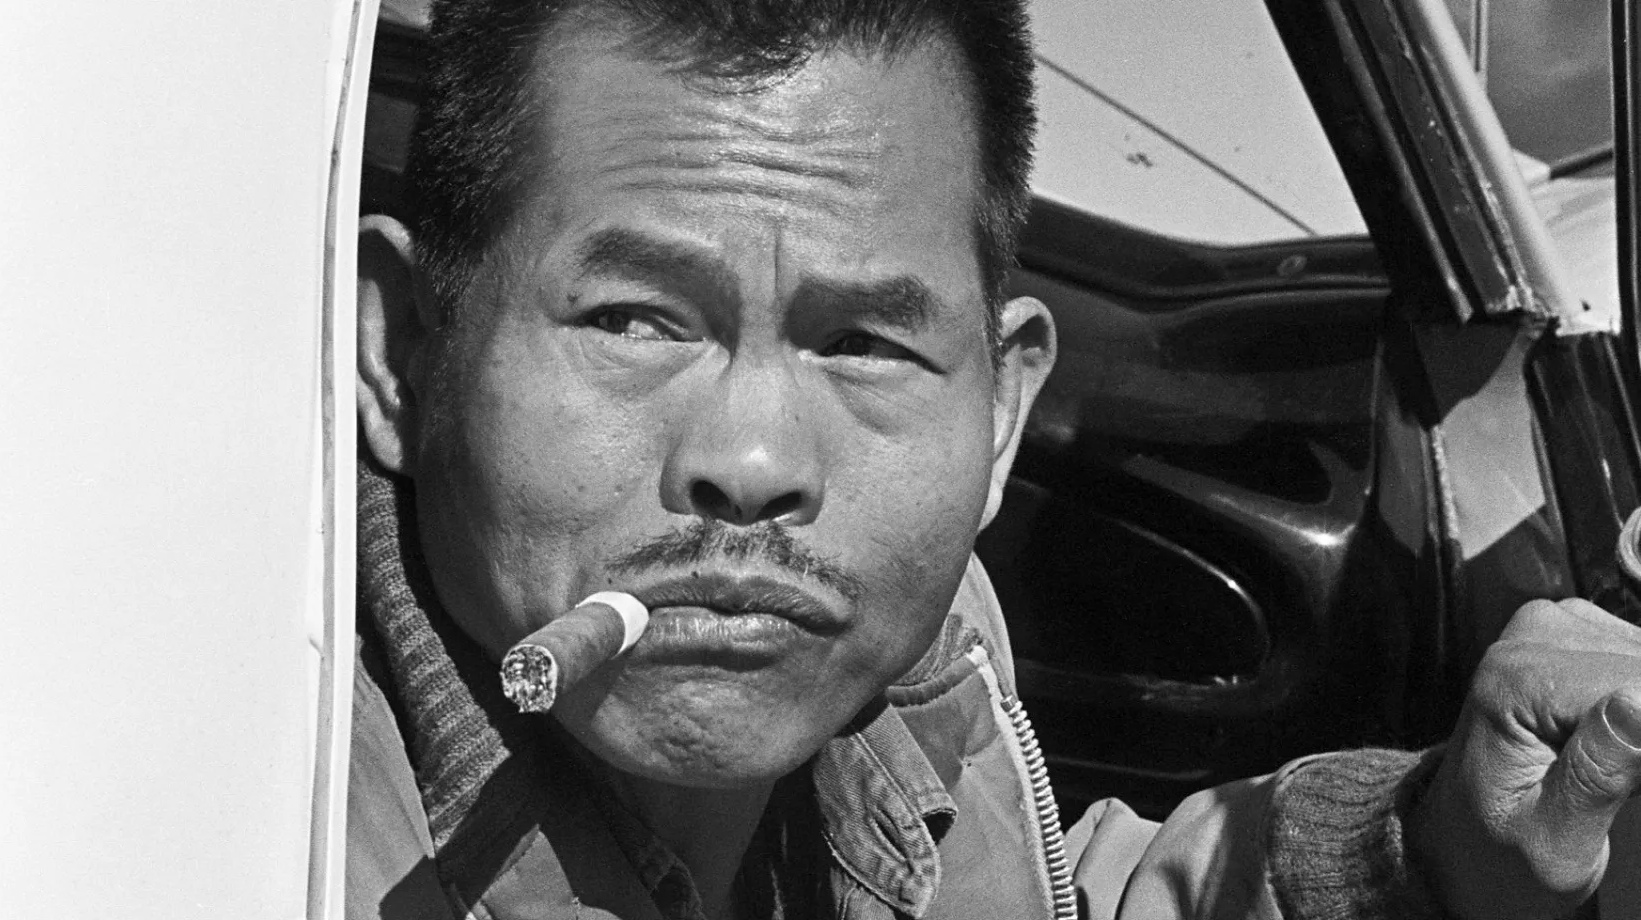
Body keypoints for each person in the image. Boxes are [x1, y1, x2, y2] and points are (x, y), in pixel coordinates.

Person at [345, 0, 1641, 917]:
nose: (750, 460)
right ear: (402, 353)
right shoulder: (232, 811)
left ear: (1002, 409)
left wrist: (1427, 853)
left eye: (862, 342)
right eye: (632, 320)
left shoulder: (923, 659)